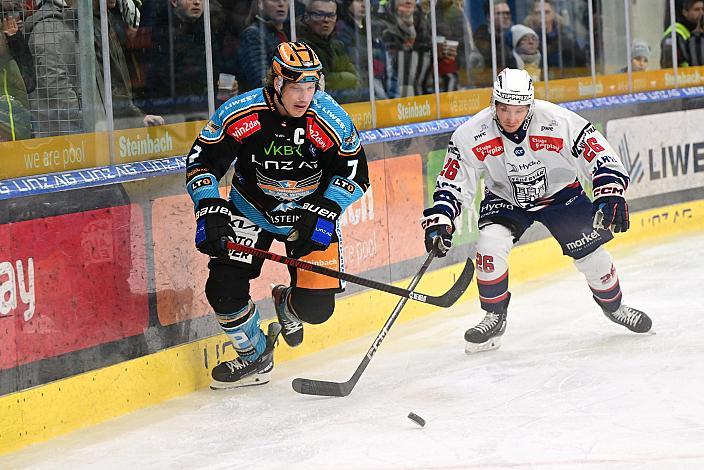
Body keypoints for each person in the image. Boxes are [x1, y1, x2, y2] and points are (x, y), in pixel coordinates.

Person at [421, 68, 652, 354]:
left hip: (561, 196)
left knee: (593, 258)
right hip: (506, 198)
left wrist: (610, 191)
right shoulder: (471, 134)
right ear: (493, 104)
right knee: (490, 245)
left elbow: (599, 155)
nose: (509, 118)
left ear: (530, 106)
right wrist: (442, 218)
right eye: (503, 108)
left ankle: (615, 307)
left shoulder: (558, 120)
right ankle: (494, 317)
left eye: (517, 110)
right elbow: (453, 181)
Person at [185, 41, 370, 389]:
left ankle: (286, 302)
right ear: (277, 83)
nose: (303, 96)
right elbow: (201, 162)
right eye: (295, 87)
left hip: (308, 216)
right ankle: (255, 355)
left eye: (310, 86)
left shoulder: (331, 118)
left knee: (317, 311)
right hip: (251, 209)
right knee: (223, 288)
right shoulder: (242, 113)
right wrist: (208, 207)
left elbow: (355, 175)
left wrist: (326, 210)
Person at [25, 0, 82, 137]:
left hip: (64, 124)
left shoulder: (64, 19)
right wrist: (78, 116)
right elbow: (54, 79)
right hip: (60, 130)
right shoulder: (48, 24)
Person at [296, 0, 364, 103]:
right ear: (307, 17)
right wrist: (348, 80)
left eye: (331, 15)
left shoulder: (337, 46)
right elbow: (320, 86)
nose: (326, 20)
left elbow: (357, 78)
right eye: (319, 15)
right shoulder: (301, 47)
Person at [235, 0, 290, 93]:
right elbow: (260, 80)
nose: (281, 4)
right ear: (260, 3)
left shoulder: (288, 33)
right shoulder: (253, 34)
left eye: (285, 0)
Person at [660, 0, 703, 68]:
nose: (701, 13)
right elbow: (668, 64)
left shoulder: (699, 33)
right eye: (696, 10)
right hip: (683, 76)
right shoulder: (675, 32)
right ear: (685, 12)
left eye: (703, 9)